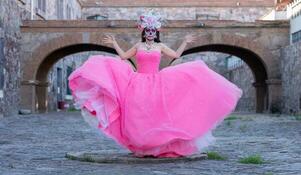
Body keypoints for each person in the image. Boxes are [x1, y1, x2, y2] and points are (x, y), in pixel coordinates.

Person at [68, 10, 243, 158]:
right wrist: (114, 43)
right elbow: (123, 57)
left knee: (157, 112)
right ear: (144, 31)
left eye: (153, 31)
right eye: (148, 30)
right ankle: (141, 145)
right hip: (138, 82)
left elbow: (174, 56)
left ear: (156, 32)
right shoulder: (138, 45)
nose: (150, 33)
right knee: (138, 114)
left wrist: (184, 43)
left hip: (157, 81)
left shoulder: (160, 46)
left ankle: (157, 145)